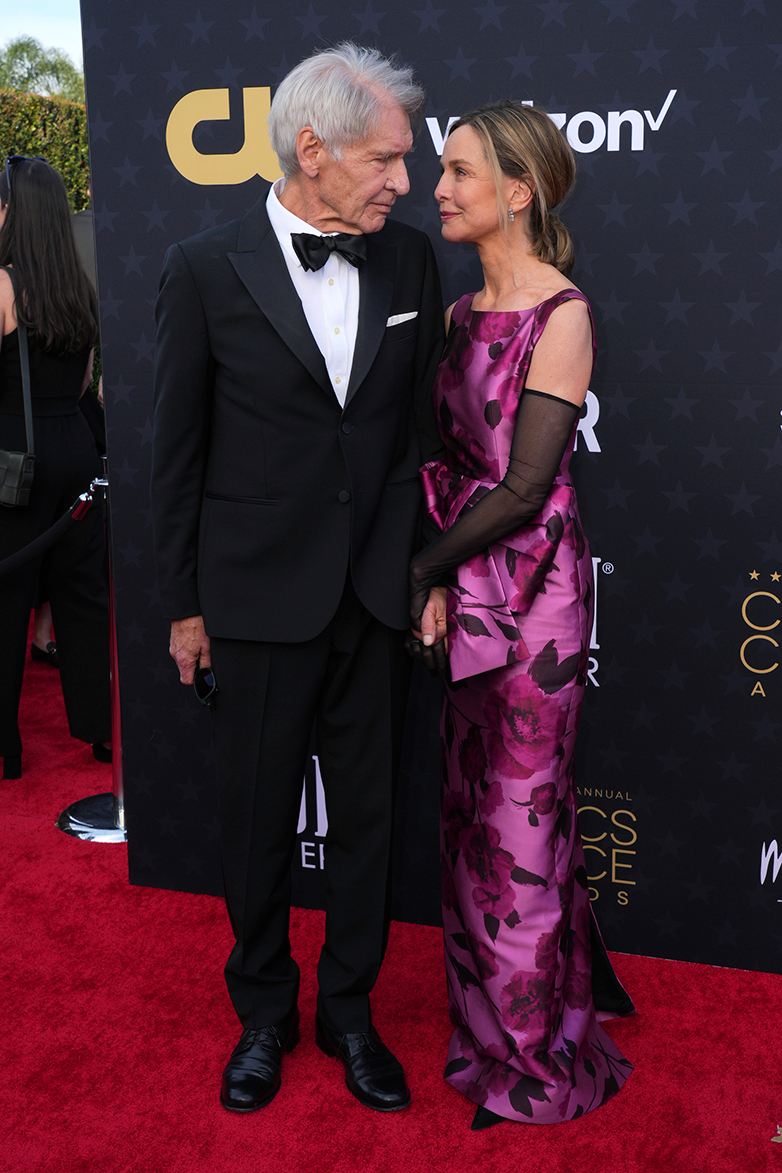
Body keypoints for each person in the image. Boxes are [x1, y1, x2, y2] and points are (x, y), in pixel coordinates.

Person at [151, 44, 444, 1114]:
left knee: (369, 820)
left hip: (375, 594)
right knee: (257, 819)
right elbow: (176, 454)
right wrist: (184, 605)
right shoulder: (202, 267)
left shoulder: (410, 262)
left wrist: (424, 572)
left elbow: (419, 435)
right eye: (385, 160)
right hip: (255, 600)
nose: (404, 182)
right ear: (311, 150)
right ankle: (264, 1013)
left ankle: (350, 1013)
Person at [407, 100, 634, 1129]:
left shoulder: (562, 314)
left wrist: (421, 568)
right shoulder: (460, 313)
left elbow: (523, 485)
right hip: (467, 588)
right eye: (441, 170)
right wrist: (438, 583)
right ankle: (489, 1024)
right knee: (469, 818)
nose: (439, 188)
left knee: (519, 824)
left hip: (534, 597)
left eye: (459, 172)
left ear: (518, 190)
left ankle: (533, 1058)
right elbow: (445, 461)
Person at [0, 156, 111, 780]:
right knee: (83, 595)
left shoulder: (2, 285)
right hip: (76, 448)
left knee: (6, 600)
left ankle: (6, 747)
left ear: (11, 212)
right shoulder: (79, 289)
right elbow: (86, 380)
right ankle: (102, 732)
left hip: (15, 458)